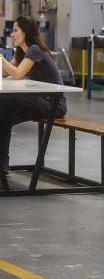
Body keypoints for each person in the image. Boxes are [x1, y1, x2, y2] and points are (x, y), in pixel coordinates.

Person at [0, 17, 65, 175]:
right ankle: (2, 166)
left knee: (11, 100)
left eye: (16, 31)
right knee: (3, 118)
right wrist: (4, 63)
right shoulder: (22, 53)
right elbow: (4, 73)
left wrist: (1, 59)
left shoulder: (35, 50)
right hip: (39, 101)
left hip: (53, 105)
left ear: (26, 32)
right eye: (12, 31)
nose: (12, 35)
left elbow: (16, 75)